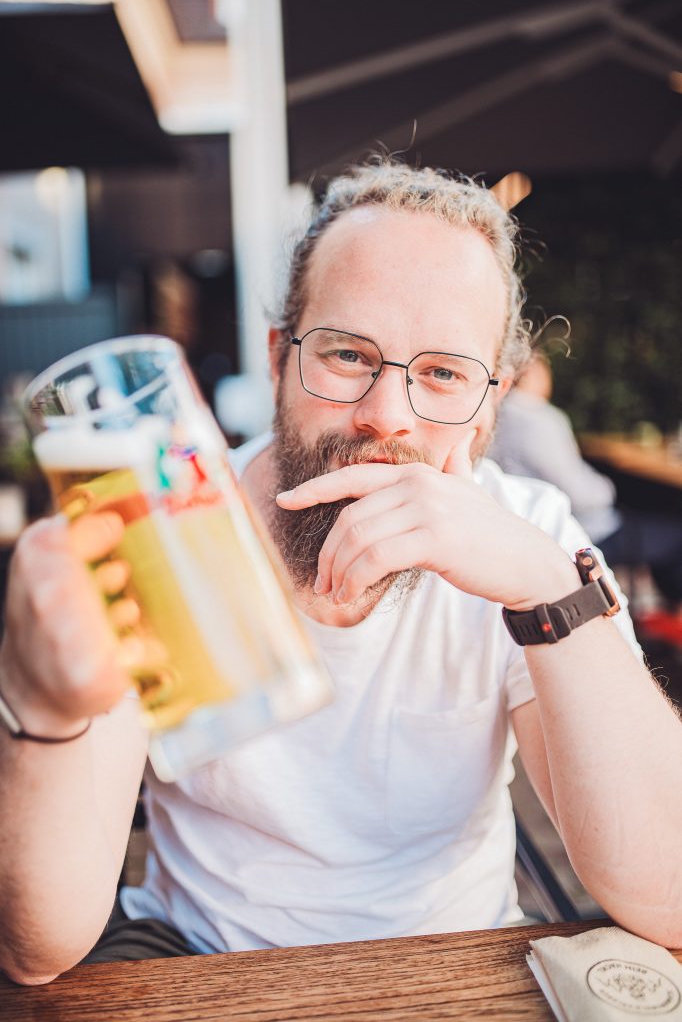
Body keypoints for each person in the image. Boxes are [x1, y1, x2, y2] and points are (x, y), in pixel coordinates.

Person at [1, 162, 681, 985]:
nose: (386, 415)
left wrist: (548, 589)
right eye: (348, 354)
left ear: (488, 402)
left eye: (442, 374)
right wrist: (41, 714)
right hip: (198, 954)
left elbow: (666, 895)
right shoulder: (167, 533)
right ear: (280, 357)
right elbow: (37, 952)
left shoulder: (531, 539)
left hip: (451, 956)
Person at [489, 354, 682, 610]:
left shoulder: (492, 414)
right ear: (533, 373)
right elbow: (582, 495)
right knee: (675, 535)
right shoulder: (541, 418)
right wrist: (610, 488)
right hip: (582, 534)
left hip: (525, 531)